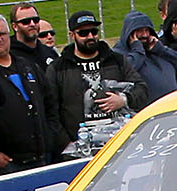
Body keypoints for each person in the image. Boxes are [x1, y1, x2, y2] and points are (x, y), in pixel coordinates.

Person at [0, 14, 64, 173]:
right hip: (7, 163)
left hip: (41, 156)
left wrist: (50, 136)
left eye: (2, 34)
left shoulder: (27, 66)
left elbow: (50, 103)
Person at [53, 11, 147, 158]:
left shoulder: (117, 60)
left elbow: (142, 89)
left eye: (94, 31)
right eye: (83, 33)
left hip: (118, 146)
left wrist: (123, 100)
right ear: (72, 35)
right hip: (79, 149)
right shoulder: (58, 68)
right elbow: (50, 109)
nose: (90, 36)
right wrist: (67, 144)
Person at [115, 11, 177, 104]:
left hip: (172, 106)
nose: (145, 35)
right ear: (130, 33)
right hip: (145, 110)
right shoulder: (118, 54)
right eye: (140, 31)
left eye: (146, 30)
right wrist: (138, 50)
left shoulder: (156, 49)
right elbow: (124, 72)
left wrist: (161, 49)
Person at [10, 3, 61, 80]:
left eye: (35, 20)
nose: (32, 24)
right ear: (15, 26)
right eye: (26, 21)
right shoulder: (8, 55)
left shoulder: (49, 52)